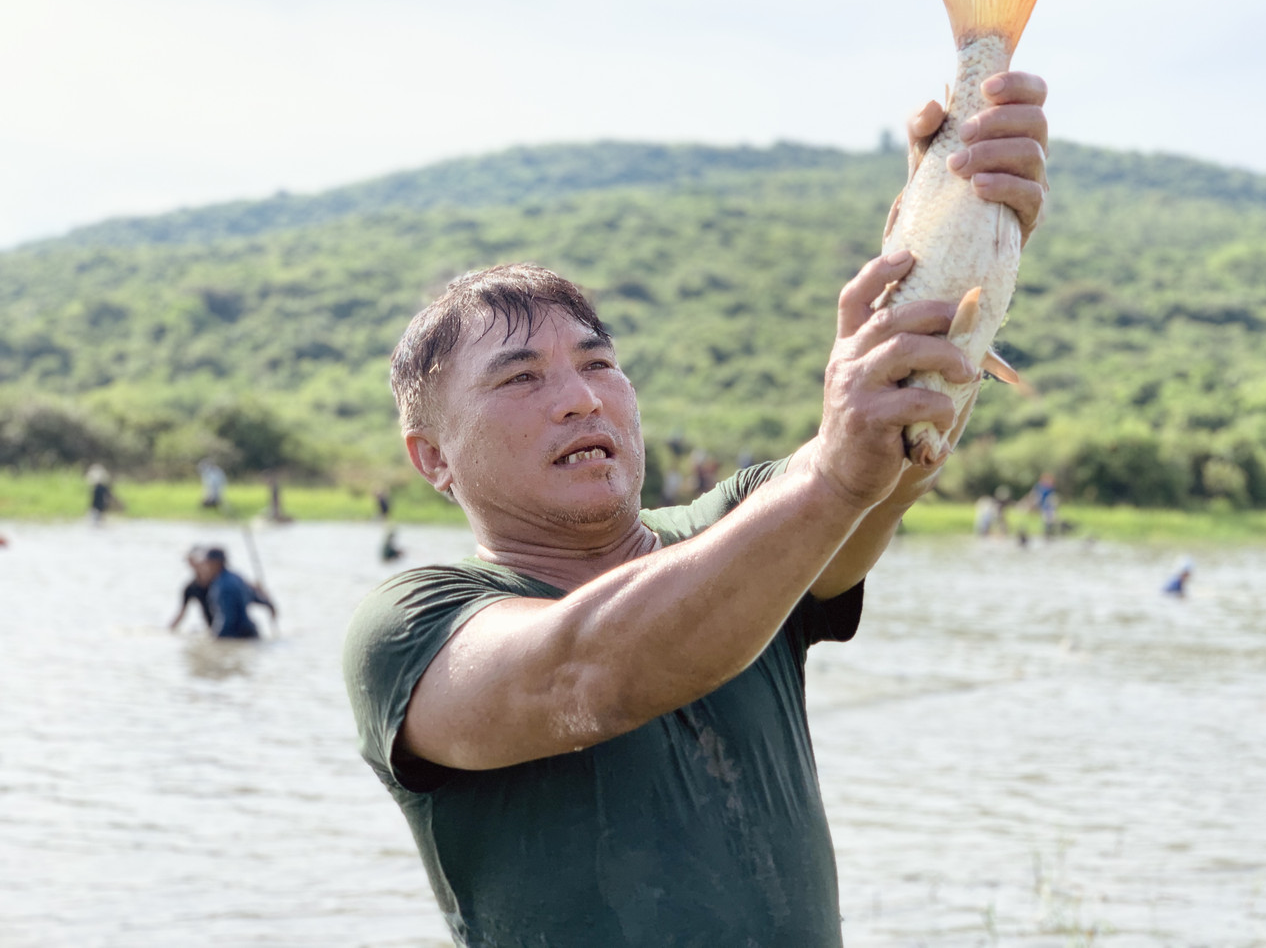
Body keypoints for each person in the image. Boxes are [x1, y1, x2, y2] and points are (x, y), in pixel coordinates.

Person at [342, 71, 1048, 947]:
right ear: (432, 457)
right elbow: (583, 675)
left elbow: (883, 469)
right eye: (522, 377)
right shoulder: (409, 625)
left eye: (599, 364)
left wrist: (945, 232)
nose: (580, 400)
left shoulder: (749, 525)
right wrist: (831, 475)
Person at [203, 547, 278, 639]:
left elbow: (228, 618)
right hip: (251, 631)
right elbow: (261, 600)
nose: (206, 566)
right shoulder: (237, 578)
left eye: (208, 562)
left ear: (216, 563)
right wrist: (270, 606)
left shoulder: (222, 586)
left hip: (234, 634)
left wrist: (216, 639)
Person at [170, 545, 217, 630]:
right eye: (192, 561)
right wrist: (169, 630)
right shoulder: (191, 588)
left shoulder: (221, 582)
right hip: (213, 630)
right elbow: (181, 613)